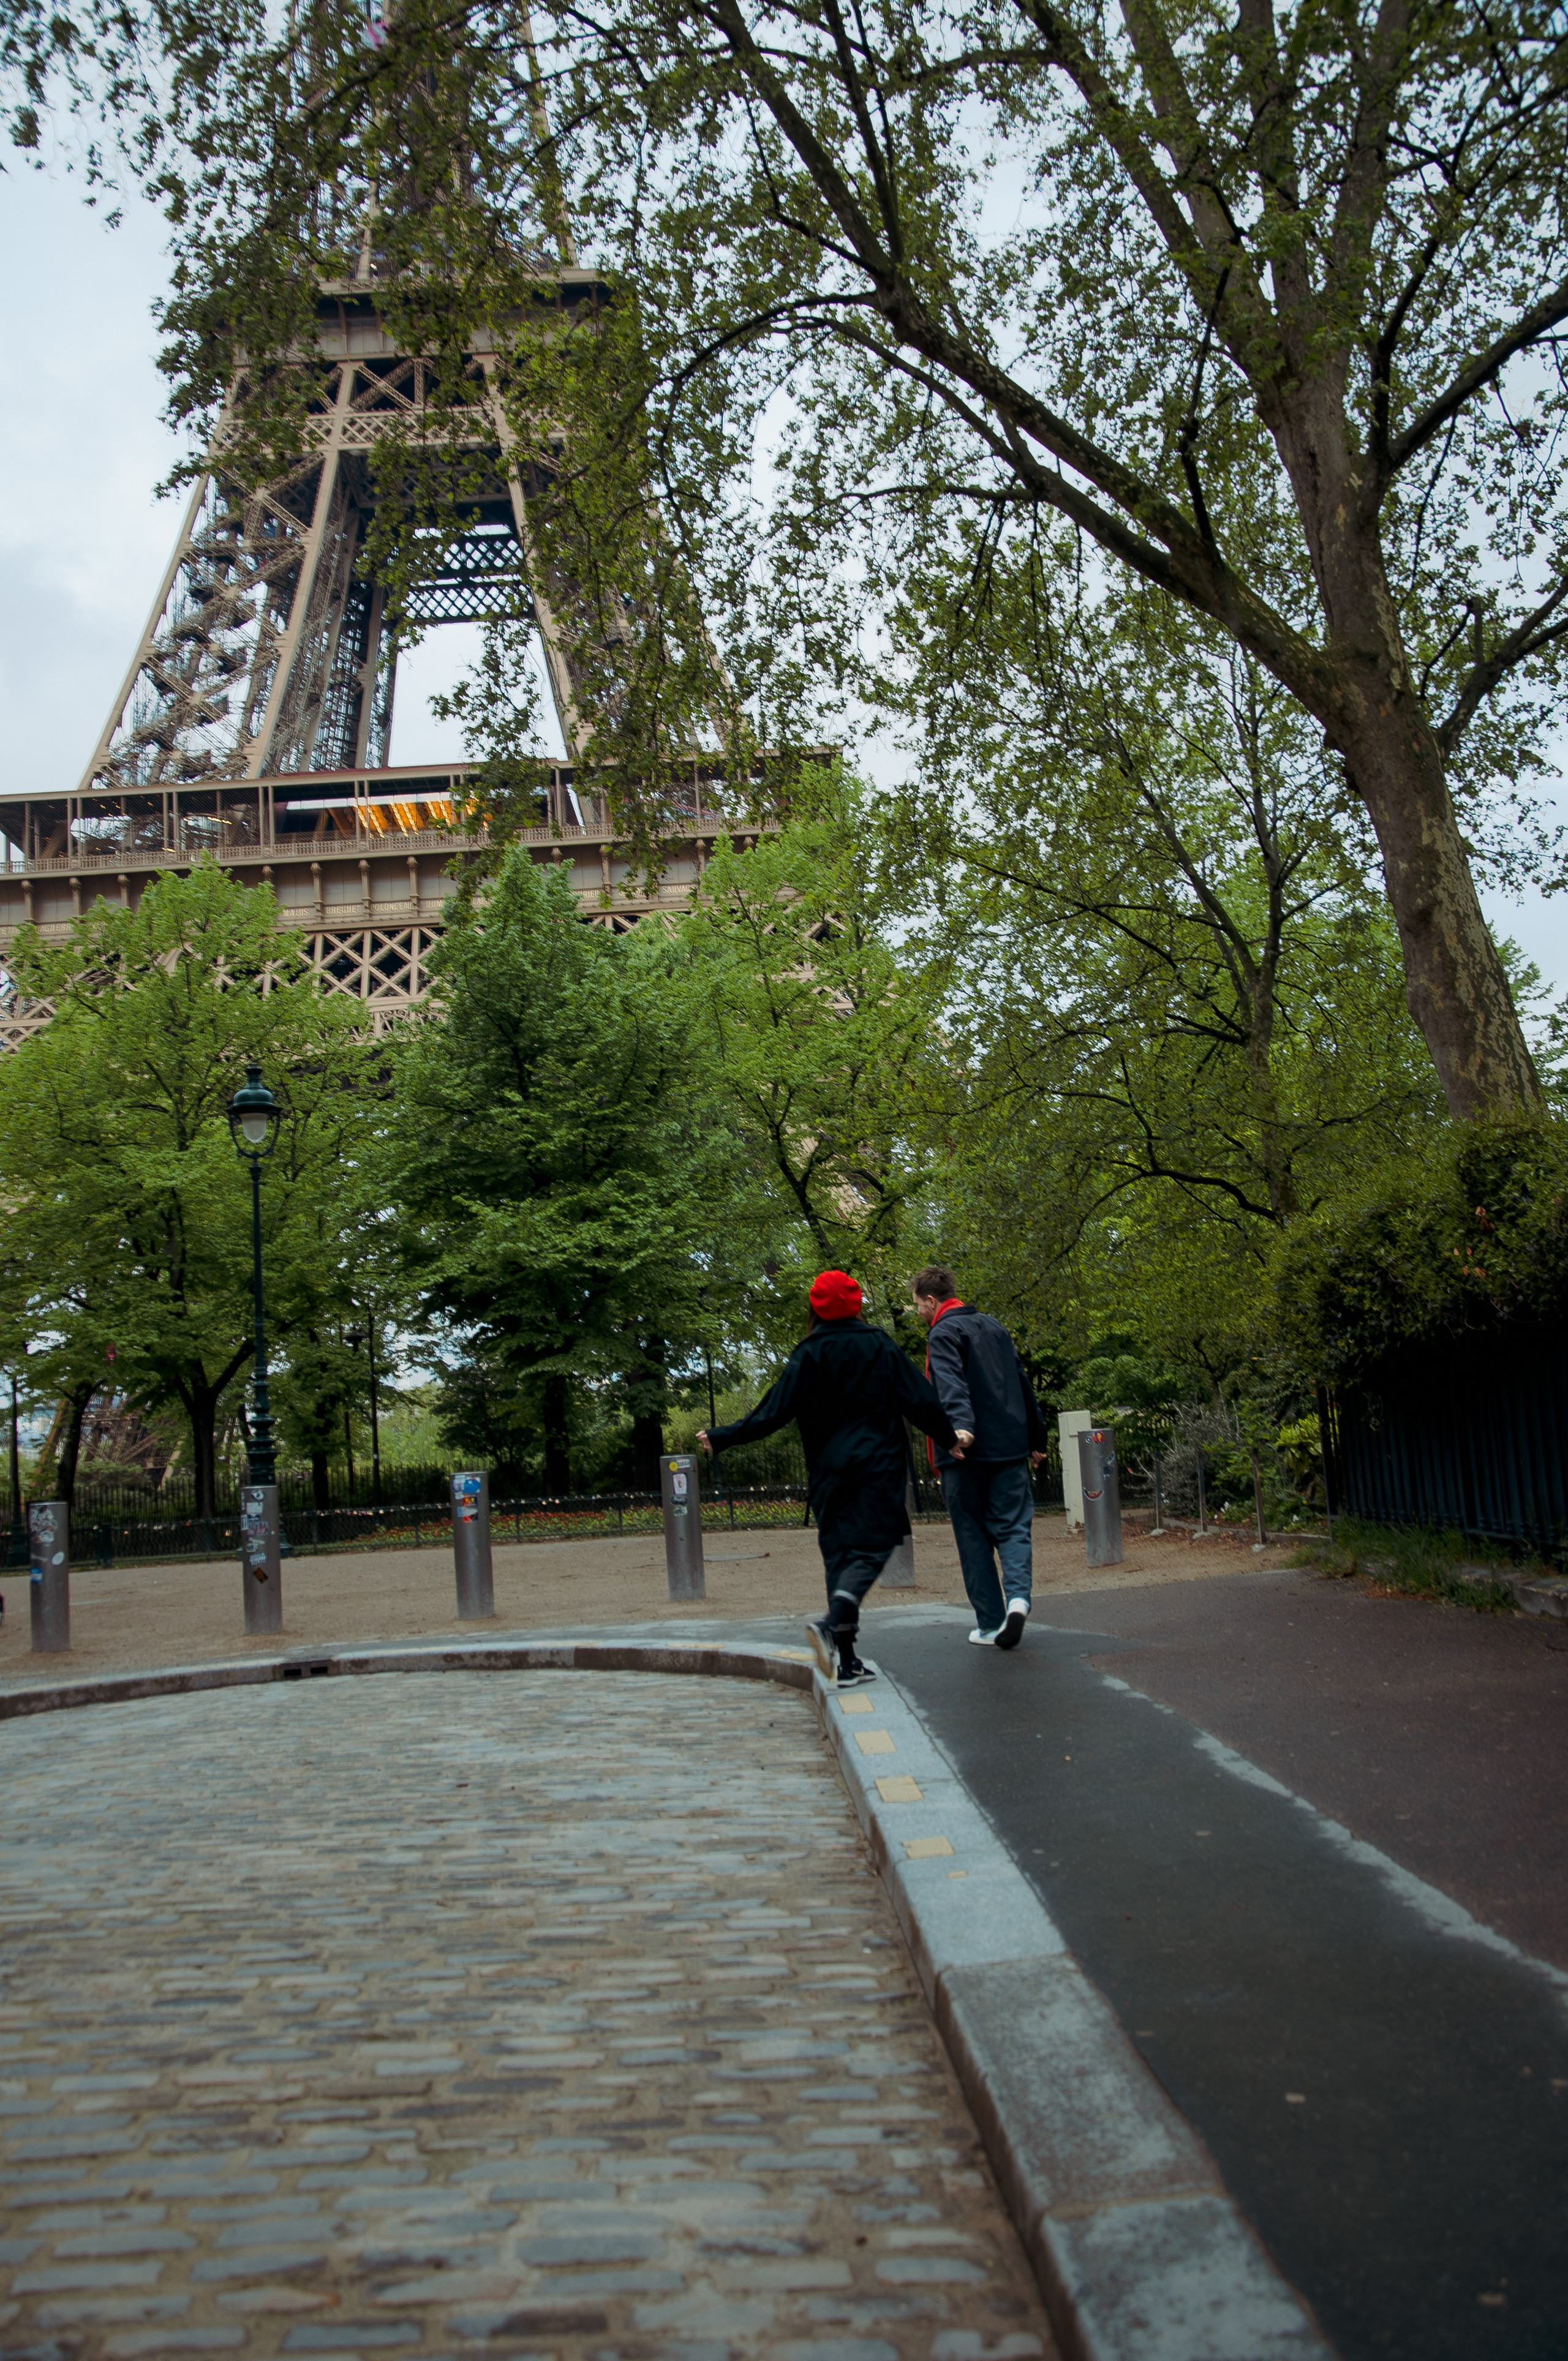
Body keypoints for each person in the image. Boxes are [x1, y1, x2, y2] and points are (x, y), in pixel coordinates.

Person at [698, 1268, 958, 1686]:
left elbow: (772, 1412)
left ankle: (848, 1661)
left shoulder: (809, 1353)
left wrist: (722, 1435)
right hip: (878, 1466)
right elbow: (921, 1399)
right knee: (876, 1544)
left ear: (815, 1306)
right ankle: (832, 1622)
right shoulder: (877, 1344)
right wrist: (949, 1438)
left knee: (839, 1556)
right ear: (856, 1303)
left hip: (828, 1473)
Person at [913, 1263, 1049, 1652]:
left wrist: (960, 1428)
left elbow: (949, 1381)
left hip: (964, 1453)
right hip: (1009, 1447)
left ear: (932, 1300)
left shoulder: (942, 1333)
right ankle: (1019, 1599)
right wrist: (1037, 1439)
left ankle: (990, 1623)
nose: (919, 1313)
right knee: (1013, 1526)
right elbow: (1022, 1384)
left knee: (973, 1536)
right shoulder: (995, 1327)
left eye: (919, 1306)